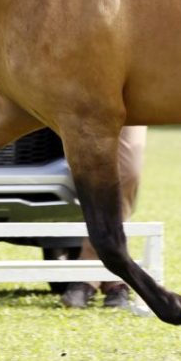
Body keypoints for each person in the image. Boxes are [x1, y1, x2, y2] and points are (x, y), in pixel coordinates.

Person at [60, 125, 147, 309]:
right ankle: (114, 279)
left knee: (130, 172)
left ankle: (88, 272)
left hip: (132, 102)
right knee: (90, 169)